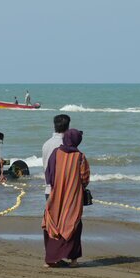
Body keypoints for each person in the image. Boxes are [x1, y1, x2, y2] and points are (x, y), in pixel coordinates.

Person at [44, 128, 90, 267]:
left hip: (56, 194)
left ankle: (51, 259)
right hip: (74, 196)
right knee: (73, 223)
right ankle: (73, 260)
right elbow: (85, 178)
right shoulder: (80, 157)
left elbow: (49, 174)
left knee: (53, 222)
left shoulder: (55, 153)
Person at [42, 114, 71, 201]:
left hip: (49, 189)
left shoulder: (46, 144)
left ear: (54, 126)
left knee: (51, 214)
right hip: (64, 190)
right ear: (68, 126)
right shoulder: (68, 144)